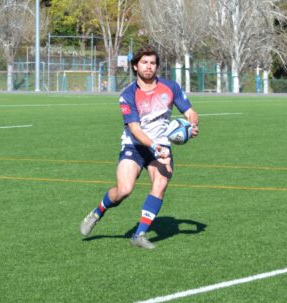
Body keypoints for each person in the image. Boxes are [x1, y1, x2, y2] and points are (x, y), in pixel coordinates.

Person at [79, 45, 199, 249]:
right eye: (144, 62)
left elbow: (190, 112)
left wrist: (192, 125)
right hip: (135, 145)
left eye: (152, 63)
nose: (149, 67)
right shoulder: (127, 94)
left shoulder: (171, 87)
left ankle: (139, 234)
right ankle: (97, 212)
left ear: (157, 66)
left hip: (161, 145)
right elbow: (134, 129)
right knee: (124, 190)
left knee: (160, 184)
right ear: (135, 66)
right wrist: (154, 146)